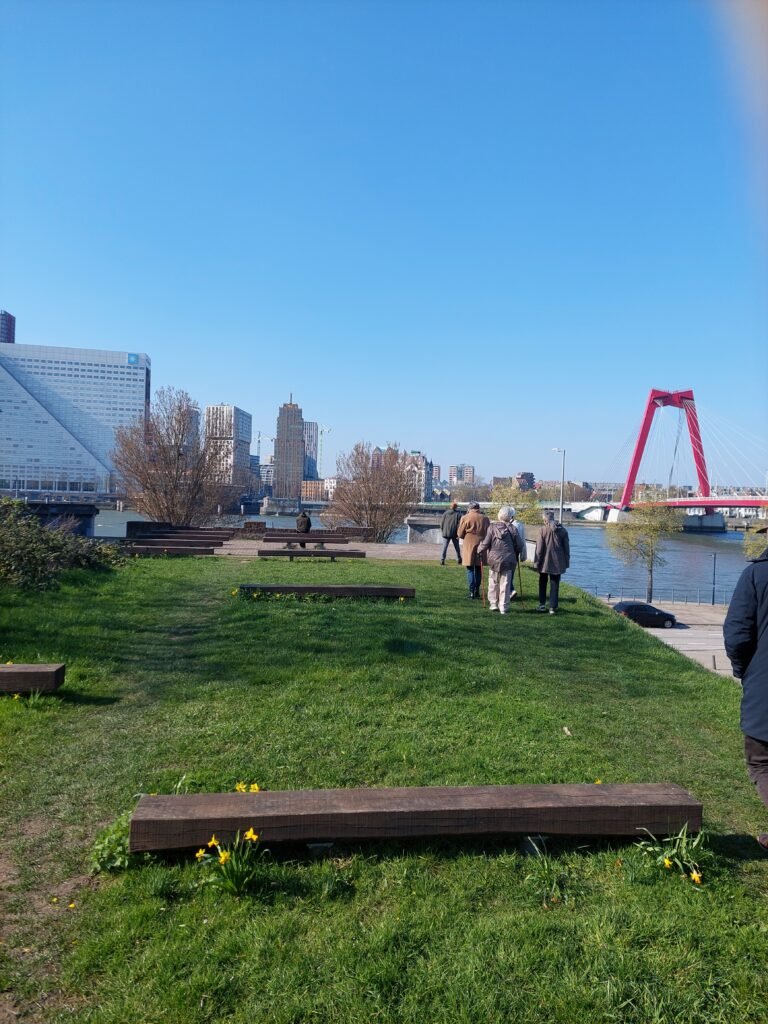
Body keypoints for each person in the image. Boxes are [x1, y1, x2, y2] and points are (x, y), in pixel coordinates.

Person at [723, 539, 768, 852]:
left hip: (765, 692)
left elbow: (737, 634)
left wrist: (743, 671)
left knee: (761, 762)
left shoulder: (756, 575)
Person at [477, 506, 525, 613]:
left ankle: (493, 603)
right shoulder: (513, 528)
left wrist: (479, 550)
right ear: (510, 516)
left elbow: (485, 543)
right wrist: (517, 550)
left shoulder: (492, 527)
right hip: (509, 558)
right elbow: (520, 545)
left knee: (493, 581)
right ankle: (503, 606)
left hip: (494, 559)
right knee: (506, 583)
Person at [533, 510, 570, 614]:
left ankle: (542, 605)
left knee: (542, 582)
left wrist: (537, 562)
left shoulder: (542, 530)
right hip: (558, 562)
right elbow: (567, 548)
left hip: (544, 562)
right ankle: (552, 607)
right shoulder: (563, 530)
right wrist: (567, 562)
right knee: (555, 583)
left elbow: (539, 548)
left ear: (545, 520)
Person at [457, 502, 490, 599]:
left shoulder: (465, 517)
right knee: (479, 568)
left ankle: (471, 592)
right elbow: (489, 532)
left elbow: (460, 533)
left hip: (469, 543)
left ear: (469, 508)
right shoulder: (485, 518)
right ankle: (477, 591)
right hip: (482, 543)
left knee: (470, 568)